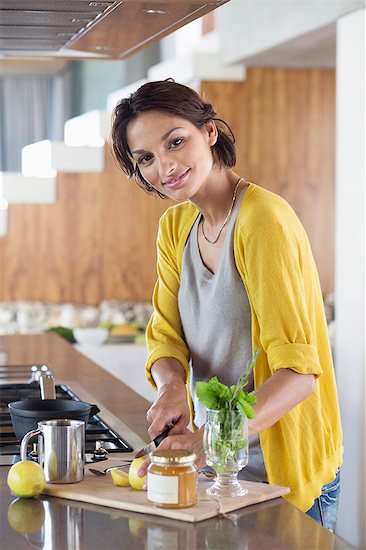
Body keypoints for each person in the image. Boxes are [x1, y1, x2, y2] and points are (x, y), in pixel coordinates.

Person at [111, 79, 343, 531]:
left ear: (211, 132)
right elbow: (165, 336)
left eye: (176, 141)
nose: (166, 166)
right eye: (146, 159)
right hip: (224, 472)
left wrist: (205, 443)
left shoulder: (262, 221)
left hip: (282, 474)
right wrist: (171, 386)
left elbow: (298, 375)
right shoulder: (176, 226)